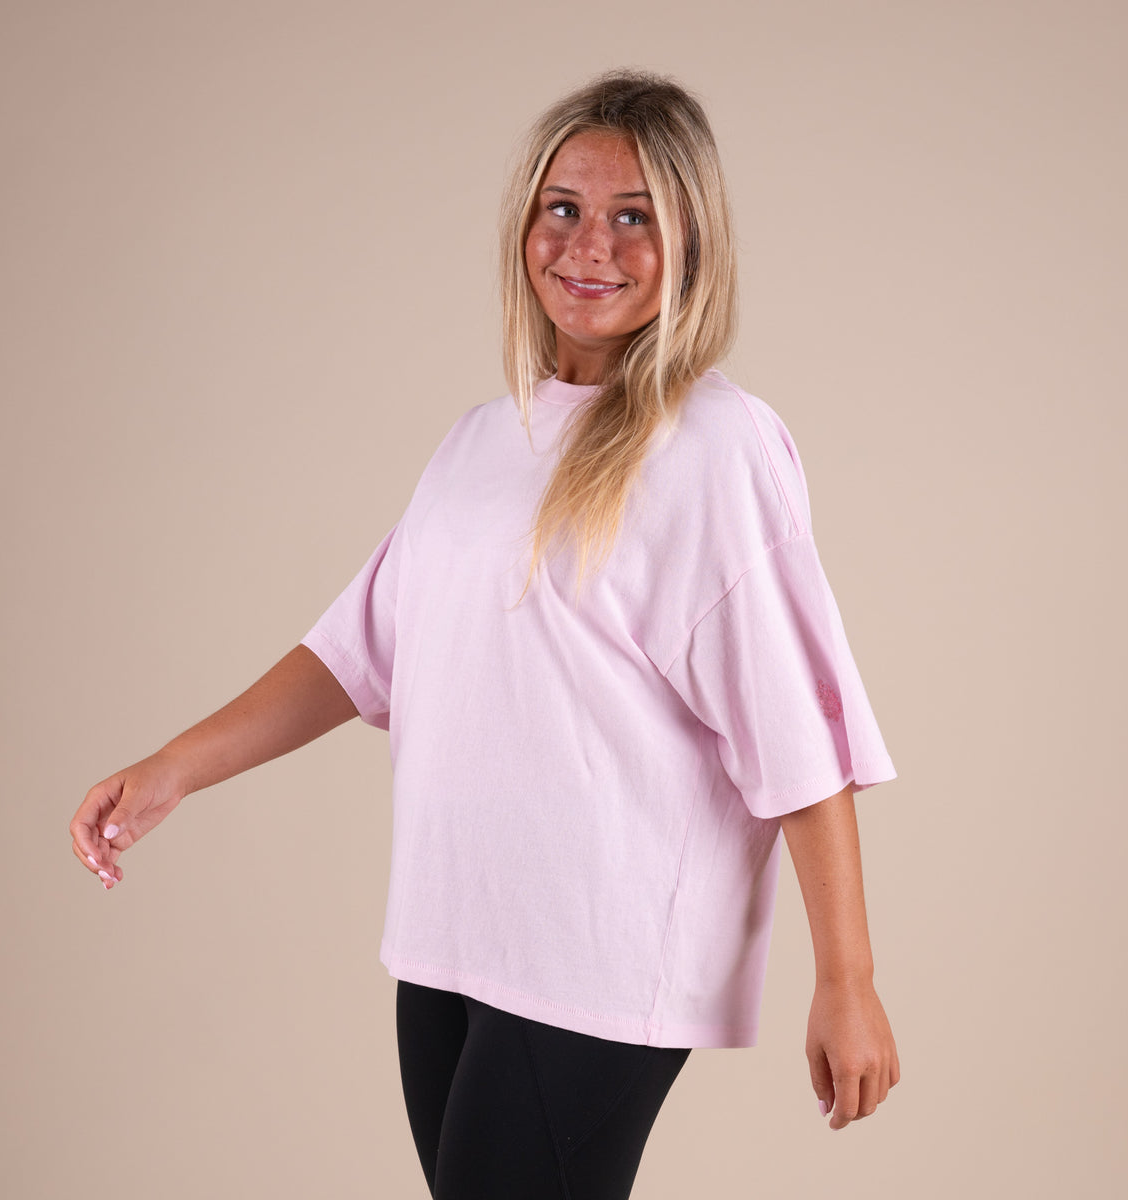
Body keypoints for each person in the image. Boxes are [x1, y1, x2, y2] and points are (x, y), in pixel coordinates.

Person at [70, 70, 900, 1200]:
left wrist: (847, 979)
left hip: (596, 959)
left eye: (635, 216)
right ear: (524, 223)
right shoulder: (481, 442)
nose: (589, 245)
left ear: (692, 245)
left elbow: (797, 728)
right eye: (564, 207)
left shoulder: (716, 446)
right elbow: (356, 652)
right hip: (451, 940)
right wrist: (175, 769)